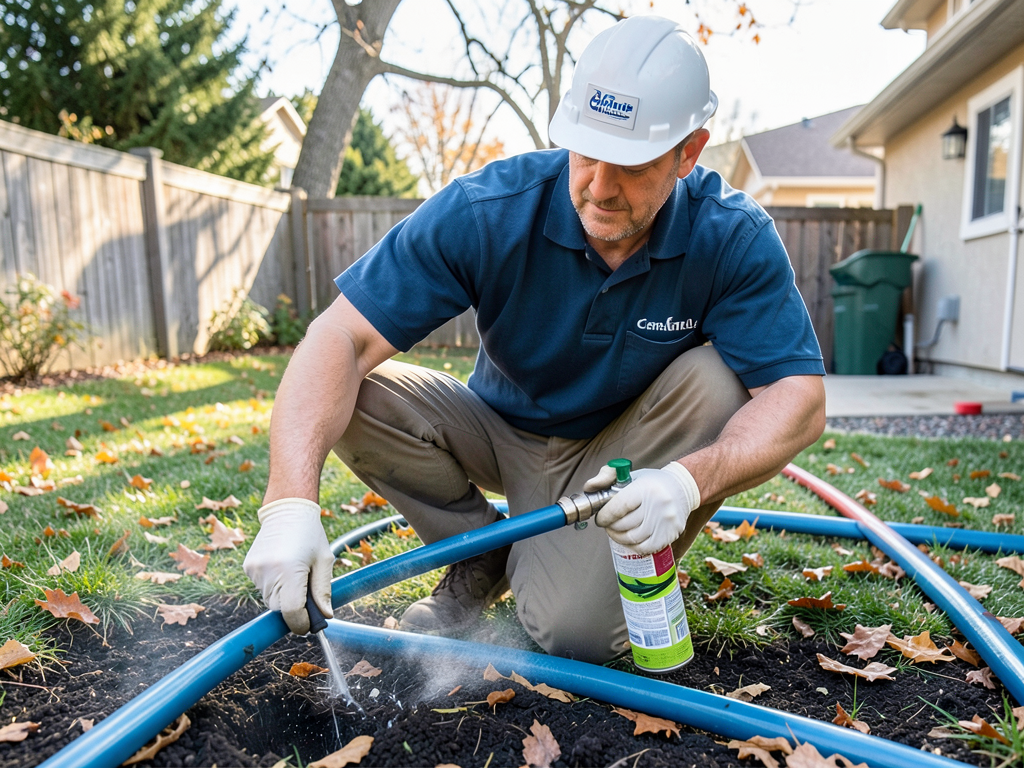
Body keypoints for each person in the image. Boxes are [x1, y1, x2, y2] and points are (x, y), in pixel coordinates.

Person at [244, 15, 826, 664]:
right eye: (586, 152)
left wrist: (686, 483)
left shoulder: (731, 236)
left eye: (632, 165)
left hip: (626, 457)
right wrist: (288, 504)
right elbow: (339, 336)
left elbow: (799, 399)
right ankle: (480, 551)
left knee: (573, 634)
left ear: (688, 154)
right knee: (347, 385)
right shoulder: (490, 211)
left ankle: (586, 554)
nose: (600, 187)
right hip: (500, 432)